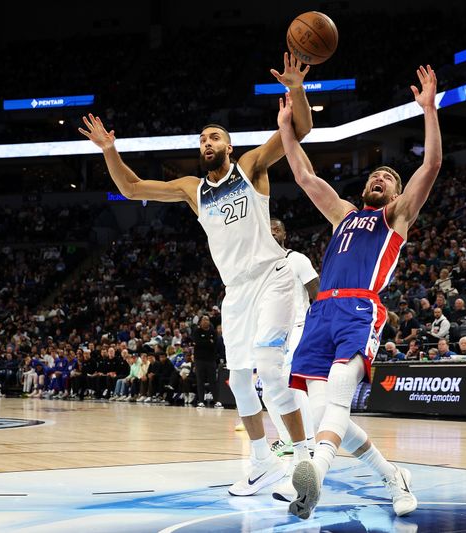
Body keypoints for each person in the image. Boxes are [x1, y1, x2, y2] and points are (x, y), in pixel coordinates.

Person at [80, 54, 313, 496]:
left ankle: (303, 461)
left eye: (215, 137)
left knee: (268, 367)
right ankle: (262, 461)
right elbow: (131, 188)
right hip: (236, 292)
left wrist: (297, 89)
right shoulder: (193, 189)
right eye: (202, 138)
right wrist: (110, 150)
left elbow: (299, 130)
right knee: (240, 380)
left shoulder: (251, 167)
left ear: (228, 145)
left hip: (272, 276)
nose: (206, 142)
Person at [276, 65, 441, 519]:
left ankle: (315, 476)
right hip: (319, 313)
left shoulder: (397, 216)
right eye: (376, 174)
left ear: (398, 191)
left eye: (389, 176)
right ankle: (393, 476)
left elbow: (432, 165)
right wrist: (286, 128)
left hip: (359, 308)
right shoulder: (344, 214)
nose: (380, 177)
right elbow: (306, 176)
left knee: (338, 399)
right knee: (324, 413)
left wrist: (429, 109)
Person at [267, 217, 320, 456]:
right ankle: (288, 438)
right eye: (268, 230)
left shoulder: (297, 260)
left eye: (276, 230)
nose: (272, 233)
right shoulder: (260, 266)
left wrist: (319, 328)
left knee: (293, 382)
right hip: (273, 332)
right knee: (269, 390)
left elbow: (317, 293)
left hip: (300, 327)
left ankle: (309, 442)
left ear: (284, 234)